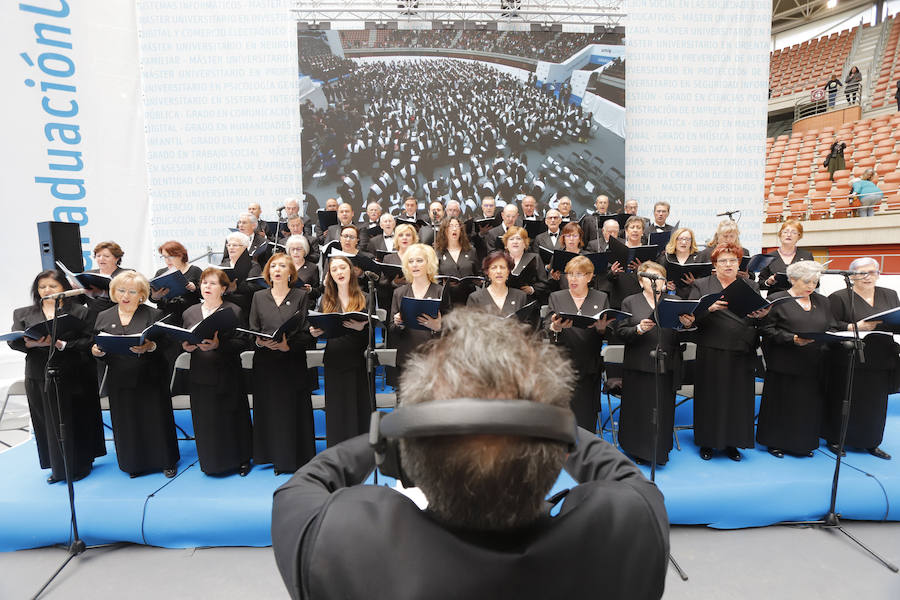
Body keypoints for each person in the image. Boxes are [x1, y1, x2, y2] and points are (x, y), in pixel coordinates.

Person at [272, 309, 669, 600]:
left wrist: (390, 432)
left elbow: (301, 489)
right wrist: (551, 420)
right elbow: (626, 479)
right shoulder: (630, 528)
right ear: (558, 441)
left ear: (403, 450)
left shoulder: (339, 541)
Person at [9, 270, 105, 483]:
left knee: (75, 418)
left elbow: (89, 341)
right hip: (38, 373)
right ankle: (57, 467)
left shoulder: (80, 312)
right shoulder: (23, 313)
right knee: (47, 421)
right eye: (42, 286)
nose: (47, 290)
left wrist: (60, 344)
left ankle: (81, 464)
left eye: (53, 286)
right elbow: (14, 340)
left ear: (64, 288)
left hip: (74, 372)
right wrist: (32, 343)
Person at [682, 243, 769, 461]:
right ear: (714, 264)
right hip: (711, 347)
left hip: (742, 347)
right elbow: (688, 317)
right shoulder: (702, 285)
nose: (728, 264)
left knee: (738, 398)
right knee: (710, 397)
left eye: (732, 260)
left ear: (739, 263)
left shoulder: (749, 285)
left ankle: (733, 442)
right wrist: (707, 308)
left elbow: (757, 313)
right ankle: (707, 442)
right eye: (723, 261)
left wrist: (760, 315)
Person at [91, 271, 179, 478]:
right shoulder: (104, 316)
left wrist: (150, 346)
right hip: (119, 378)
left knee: (156, 419)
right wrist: (97, 352)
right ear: (114, 292)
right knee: (126, 422)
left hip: (150, 376)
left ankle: (165, 461)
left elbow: (168, 343)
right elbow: (97, 345)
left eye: (132, 291)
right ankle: (134, 463)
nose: (126, 295)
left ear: (141, 294)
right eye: (121, 290)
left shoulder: (153, 315)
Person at [758, 261, 837, 458]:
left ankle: (804, 442)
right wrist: (791, 339)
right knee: (782, 403)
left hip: (813, 362)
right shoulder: (777, 299)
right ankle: (775, 442)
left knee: (808, 405)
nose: (811, 286)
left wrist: (832, 336)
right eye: (807, 281)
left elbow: (832, 326)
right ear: (793, 279)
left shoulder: (823, 301)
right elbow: (766, 329)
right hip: (784, 361)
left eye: (815, 281)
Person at [824, 258, 899, 460]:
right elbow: (829, 325)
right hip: (850, 357)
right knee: (845, 399)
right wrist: (853, 327)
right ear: (852, 276)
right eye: (862, 273)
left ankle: (871, 441)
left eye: (872, 272)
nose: (868, 277)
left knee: (876, 403)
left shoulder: (890, 294)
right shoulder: (839, 297)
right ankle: (836, 439)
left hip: (881, 357)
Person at [615, 262, 688, 465]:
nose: (655, 281)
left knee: (663, 408)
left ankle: (660, 450)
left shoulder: (675, 301)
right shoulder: (630, 302)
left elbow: (685, 333)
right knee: (638, 408)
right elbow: (620, 332)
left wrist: (687, 325)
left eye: (659, 277)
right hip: (638, 363)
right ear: (641, 281)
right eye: (649, 277)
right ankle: (636, 448)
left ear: (665, 282)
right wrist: (638, 329)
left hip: (667, 363)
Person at [180, 267, 252, 476]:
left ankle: (241, 460)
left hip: (227, 372)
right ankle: (211, 462)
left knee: (232, 418)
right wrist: (185, 347)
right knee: (206, 420)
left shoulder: (234, 311)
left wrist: (219, 345)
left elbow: (243, 342)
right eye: (204, 283)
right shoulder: (190, 312)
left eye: (213, 283)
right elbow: (183, 339)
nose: (207, 287)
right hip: (201, 374)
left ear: (223, 288)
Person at [249, 254, 315, 474]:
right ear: (268, 272)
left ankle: (297, 458)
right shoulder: (258, 296)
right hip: (266, 364)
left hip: (292, 361)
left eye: (282, 266)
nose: (277, 269)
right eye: (273, 266)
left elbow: (307, 332)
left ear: (290, 273)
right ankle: (273, 456)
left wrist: (289, 346)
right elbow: (252, 330)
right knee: (271, 411)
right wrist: (260, 342)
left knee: (292, 410)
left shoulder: (300, 295)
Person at [309, 255, 372, 447]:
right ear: (330, 275)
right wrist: (315, 332)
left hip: (357, 358)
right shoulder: (325, 300)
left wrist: (362, 328)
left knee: (357, 406)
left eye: (342, 268)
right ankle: (337, 450)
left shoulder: (365, 297)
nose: (339, 272)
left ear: (351, 271)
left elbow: (372, 330)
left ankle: (361, 448)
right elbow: (323, 331)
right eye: (334, 269)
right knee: (336, 408)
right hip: (334, 358)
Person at [546, 255, 614, 430]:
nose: (573, 279)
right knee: (561, 413)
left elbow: (609, 331)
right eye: (570, 274)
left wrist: (601, 329)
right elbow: (547, 327)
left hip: (589, 364)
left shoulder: (601, 298)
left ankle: (585, 451)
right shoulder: (556, 296)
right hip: (563, 363)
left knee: (585, 416)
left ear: (590, 277)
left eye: (579, 274)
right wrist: (555, 327)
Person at [388, 243, 449, 384]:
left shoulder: (440, 291)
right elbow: (391, 329)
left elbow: (449, 328)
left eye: (419, 260)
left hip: (433, 357)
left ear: (429, 263)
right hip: (407, 357)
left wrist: (437, 326)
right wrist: (398, 323)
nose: (415, 265)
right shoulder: (399, 292)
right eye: (411, 261)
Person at [150, 240, 201, 327]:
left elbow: (205, 295)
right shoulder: (160, 272)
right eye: (165, 257)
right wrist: (155, 297)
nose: (167, 260)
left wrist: (194, 288)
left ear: (181, 255)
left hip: (190, 316)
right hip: (166, 316)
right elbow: (152, 298)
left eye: (171, 256)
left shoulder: (195, 271)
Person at [435, 216, 481, 307]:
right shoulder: (438, 253)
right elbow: (434, 277)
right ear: (444, 230)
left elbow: (478, 274)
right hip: (447, 299)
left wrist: (478, 281)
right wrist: (443, 283)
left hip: (469, 298)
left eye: (457, 226)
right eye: (451, 226)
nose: (454, 229)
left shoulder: (471, 251)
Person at [466, 250, 528, 317]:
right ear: (487, 272)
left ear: (508, 271)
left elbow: (526, 324)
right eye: (494, 268)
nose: (498, 271)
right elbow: (471, 324)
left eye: (502, 267)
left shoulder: (521, 296)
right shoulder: (475, 298)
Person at [758, 219, 814, 293]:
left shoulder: (807, 256)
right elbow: (760, 284)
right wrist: (768, 282)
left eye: (793, 232)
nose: (789, 235)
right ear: (780, 234)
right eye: (785, 232)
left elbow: (817, 283)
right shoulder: (768, 257)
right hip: (776, 300)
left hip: (799, 298)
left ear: (799, 236)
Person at [606, 216, 646, 308]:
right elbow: (607, 277)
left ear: (643, 232)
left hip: (639, 295)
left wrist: (640, 269)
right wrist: (613, 272)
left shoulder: (647, 250)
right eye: (632, 227)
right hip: (619, 294)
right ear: (626, 231)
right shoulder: (616, 247)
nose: (635, 230)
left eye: (638, 227)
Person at [83, 241, 129, 321]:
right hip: (94, 320)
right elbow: (80, 300)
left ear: (117, 258)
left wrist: (101, 293)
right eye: (98, 256)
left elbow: (128, 297)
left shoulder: (127, 274)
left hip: (119, 318)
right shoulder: (87, 274)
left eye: (106, 256)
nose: (101, 259)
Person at [502, 226, 547, 303]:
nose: (515, 242)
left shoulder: (535, 258)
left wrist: (532, 289)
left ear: (525, 243)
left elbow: (544, 283)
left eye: (519, 239)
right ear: (506, 244)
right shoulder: (499, 259)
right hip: (503, 301)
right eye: (511, 239)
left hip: (527, 301)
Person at [221, 231, 263, 314]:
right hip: (222, 304)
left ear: (245, 247)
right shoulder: (222, 265)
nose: (231, 248)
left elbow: (254, 287)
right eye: (229, 245)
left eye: (235, 245)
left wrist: (236, 287)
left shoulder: (253, 265)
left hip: (243, 305)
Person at [661, 227, 700, 294]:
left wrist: (695, 282)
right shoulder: (665, 258)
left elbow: (706, 282)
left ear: (691, 242)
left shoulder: (699, 258)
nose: (684, 242)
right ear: (674, 240)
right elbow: (657, 281)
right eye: (680, 239)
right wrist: (665, 286)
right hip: (670, 296)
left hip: (693, 296)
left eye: (687, 239)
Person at [285, 234, 322, 302]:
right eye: (293, 249)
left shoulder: (313, 268)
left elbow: (317, 292)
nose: (295, 252)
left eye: (299, 249)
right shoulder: (283, 266)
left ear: (305, 250)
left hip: (304, 304)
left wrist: (309, 290)